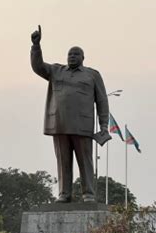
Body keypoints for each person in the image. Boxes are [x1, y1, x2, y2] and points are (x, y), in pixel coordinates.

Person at [30, 25, 111, 203]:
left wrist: (104, 125)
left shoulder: (92, 75)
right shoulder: (56, 71)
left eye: (76, 54)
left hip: (82, 126)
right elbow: (38, 66)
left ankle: (88, 193)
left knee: (85, 161)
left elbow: (102, 101)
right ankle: (64, 193)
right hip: (59, 124)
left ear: (83, 58)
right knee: (63, 161)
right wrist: (36, 46)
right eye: (69, 54)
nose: (72, 56)